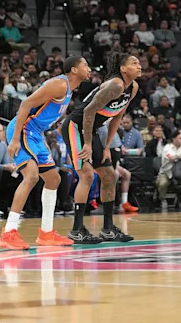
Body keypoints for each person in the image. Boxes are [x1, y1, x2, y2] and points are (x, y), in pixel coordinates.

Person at [0, 56, 90, 250]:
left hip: (36, 134)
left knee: (53, 179)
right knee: (31, 176)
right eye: (85, 65)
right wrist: (14, 139)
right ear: (74, 69)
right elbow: (24, 105)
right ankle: (8, 232)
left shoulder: (69, 91)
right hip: (22, 130)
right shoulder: (59, 85)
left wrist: (43, 141)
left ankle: (46, 233)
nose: (89, 69)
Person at [61, 52, 141, 243]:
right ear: (123, 69)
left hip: (92, 129)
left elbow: (118, 116)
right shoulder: (115, 85)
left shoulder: (133, 87)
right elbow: (88, 111)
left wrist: (106, 147)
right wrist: (88, 144)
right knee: (87, 175)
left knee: (110, 175)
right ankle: (77, 229)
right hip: (76, 127)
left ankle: (107, 228)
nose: (139, 66)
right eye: (134, 63)